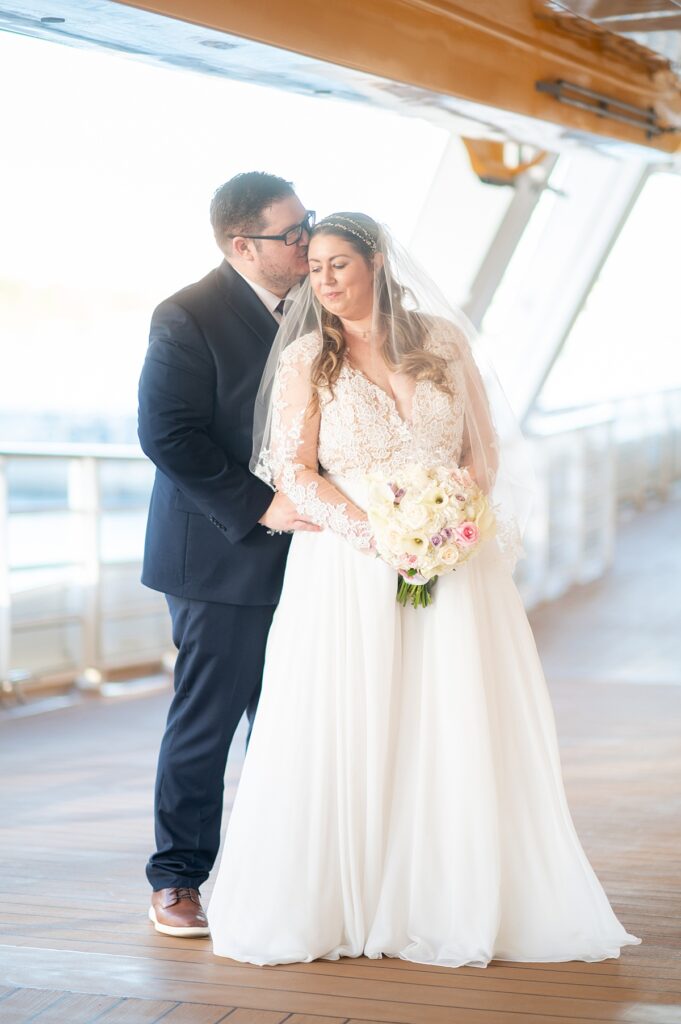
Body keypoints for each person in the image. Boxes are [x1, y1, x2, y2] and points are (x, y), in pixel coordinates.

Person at [207, 213, 641, 967]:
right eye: (314, 270)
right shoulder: (310, 355)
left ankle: (450, 893)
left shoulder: (439, 340)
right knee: (358, 714)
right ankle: (348, 898)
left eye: (339, 263)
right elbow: (293, 470)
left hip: (452, 559)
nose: (326, 280)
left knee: (451, 715)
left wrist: (451, 522)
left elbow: (481, 447)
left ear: (375, 259)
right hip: (348, 566)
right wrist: (373, 534)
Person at [138, 172, 320, 938]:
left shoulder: (318, 306)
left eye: (306, 223)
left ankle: (280, 871)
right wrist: (260, 506)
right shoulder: (186, 314)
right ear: (242, 246)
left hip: (311, 556)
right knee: (207, 723)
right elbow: (167, 435)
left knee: (290, 720)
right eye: (292, 233)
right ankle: (177, 878)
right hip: (219, 554)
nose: (307, 241)